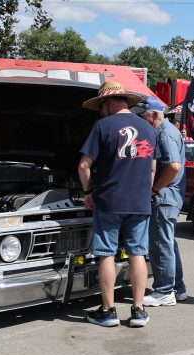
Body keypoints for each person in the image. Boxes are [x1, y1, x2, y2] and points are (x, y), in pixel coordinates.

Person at [78, 81, 160, 327]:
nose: (100, 112)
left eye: (101, 107)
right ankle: (138, 311)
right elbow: (153, 168)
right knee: (138, 253)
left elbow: (83, 165)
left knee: (106, 254)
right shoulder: (148, 128)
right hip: (140, 201)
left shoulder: (103, 126)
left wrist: (88, 191)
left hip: (109, 200)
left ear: (109, 102)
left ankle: (108, 310)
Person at [139, 96, 188, 307]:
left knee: (160, 243)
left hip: (164, 197)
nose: (141, 118)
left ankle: (164, 291)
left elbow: (174, 166)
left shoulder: (165, 133)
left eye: (144, 115)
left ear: (155, 114)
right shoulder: (164, 131)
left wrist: (154, 188)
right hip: (169, 197)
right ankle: (177, 288)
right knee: (168, 243)